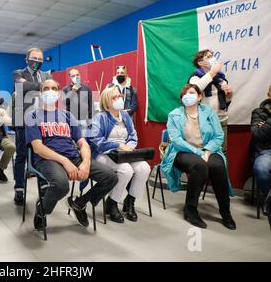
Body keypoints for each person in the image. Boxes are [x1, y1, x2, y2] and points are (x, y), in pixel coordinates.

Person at [25, 79, 118, 230]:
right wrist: (65, 162)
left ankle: (80, 203)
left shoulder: (68, 116)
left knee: (111, 177)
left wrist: (86, 162)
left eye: (54, 88)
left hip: (74, 157)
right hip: (47, 159)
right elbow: (37, 148)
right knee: (61, 186)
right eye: (46, 88)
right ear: (41, 93)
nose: (50, 91)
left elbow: (82, 143)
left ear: (59, 93)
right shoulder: (32, 116)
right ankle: (42, 211)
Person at [161, 84, 236, 230]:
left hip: (208, 149)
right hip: (182, 152)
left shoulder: (208, 112)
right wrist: (199, 153)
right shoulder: (174, 115)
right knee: (200, 166)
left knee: (218, 166)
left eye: (191, 93)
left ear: (200, 97)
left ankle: (225, 211)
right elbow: (176, 140)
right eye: (184, 94)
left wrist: (207, 151)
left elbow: (219, 135)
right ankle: (190, 210)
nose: (187, 96)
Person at [91, 86, 150, 223]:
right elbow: (97, 141)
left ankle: (130, 201)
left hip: (125, 153)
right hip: (104, 154)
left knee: (144, 168)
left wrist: (129, 146)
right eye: (114, 97)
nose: (119, 99)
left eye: (120, 96)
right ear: (107, 102)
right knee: (126, 170)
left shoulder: (125, 116)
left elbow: (133, 135)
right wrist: (117, 145)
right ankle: (112, 203)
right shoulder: (100, 117)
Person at [12, 47, 52, 206]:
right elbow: (22, 87)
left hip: (42, 120)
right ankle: (19, 189)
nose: (37, 62)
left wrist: (35, 85)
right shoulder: (18, 73)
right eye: (34, 58)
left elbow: (49, 90)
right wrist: (42, 86)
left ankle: (43, 184)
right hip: (22, 120)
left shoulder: (46, 75)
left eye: (40, 59)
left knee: (40, 154)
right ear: (26, 59)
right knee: (21, 155)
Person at [189, 49, 233, 153]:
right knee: (204, 152)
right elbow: (196, 89)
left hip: (221, 119)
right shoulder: (195, 77)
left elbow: (226, 100)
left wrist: (229, 94)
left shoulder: (220, 78)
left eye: (212, 56)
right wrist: (212, 72)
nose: (213, 58)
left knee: (222, 151)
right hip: (204, 121)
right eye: (208, 57)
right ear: (200, 63)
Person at [250, 85, 271, 226]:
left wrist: (265, 125)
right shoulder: (258, 112)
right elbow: (258, 134)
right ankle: (268, 199)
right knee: (261, 169)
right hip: (266, 150)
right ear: (269, 94)